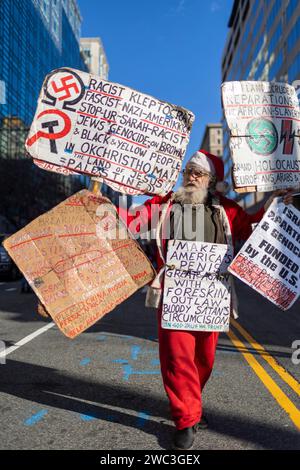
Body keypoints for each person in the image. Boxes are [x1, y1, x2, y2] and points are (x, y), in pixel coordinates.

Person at [118, 149, 293, 450]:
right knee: (178, 357)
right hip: (175, 293)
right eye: (189, 171)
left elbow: (252, 228)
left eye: (199, 173)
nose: (192, 176)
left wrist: (277, 204)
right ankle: (186, 419)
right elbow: (132, 220)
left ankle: (191, 402)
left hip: (212, 296)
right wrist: (103, 203)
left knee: (204, 359)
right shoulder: (165, 203)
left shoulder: (227, 209)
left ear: (212, 181)